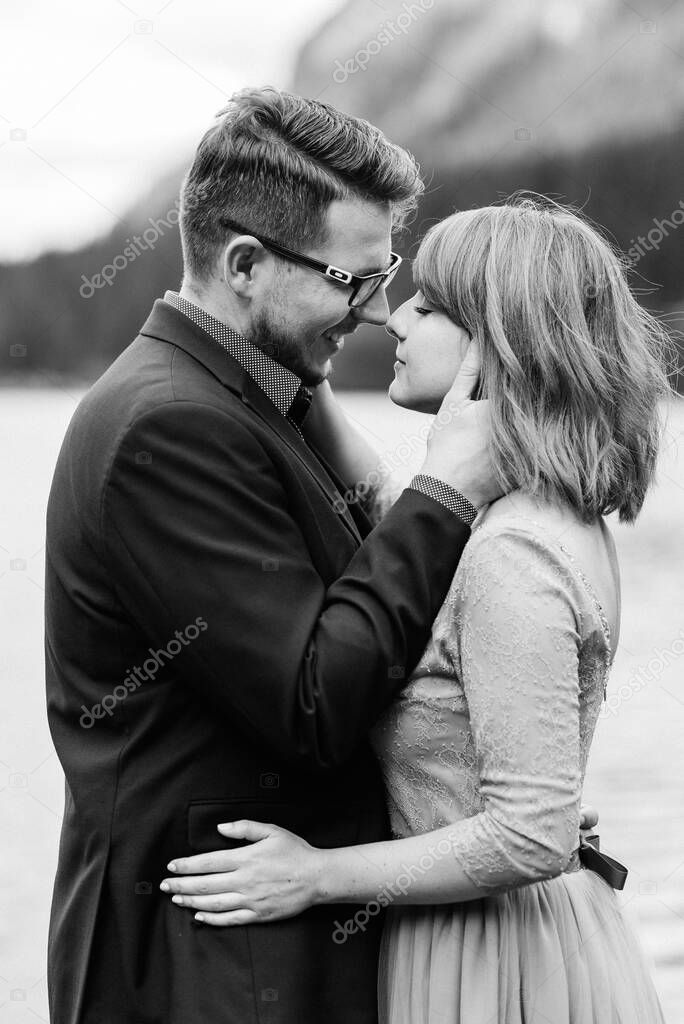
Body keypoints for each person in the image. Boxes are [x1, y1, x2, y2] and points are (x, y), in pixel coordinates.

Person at [44, 86, 504, 1024]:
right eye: (351, 282)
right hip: (211, 971)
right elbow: (314, 701)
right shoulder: (170, 428)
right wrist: (444, 491)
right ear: (246, 264)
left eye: (387, 275)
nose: (377, 313)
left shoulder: (249, 398)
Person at [160, 198, 671, 1023]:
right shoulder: (518, 515)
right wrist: (267, 342)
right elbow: (386, 502)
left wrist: (314, 874)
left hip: (494, 960)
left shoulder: (515, 554)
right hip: (498, 935)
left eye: (429, 306)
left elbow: (532, 833)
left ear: (497, 347)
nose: (393, 319)